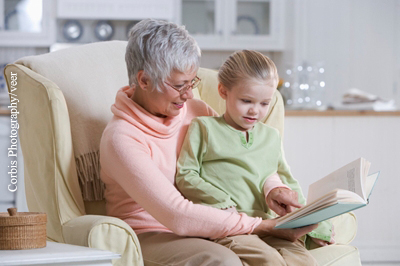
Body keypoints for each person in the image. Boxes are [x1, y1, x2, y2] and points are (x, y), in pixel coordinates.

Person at [100, 19, 318, 266]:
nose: (189, 94)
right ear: (144, 80)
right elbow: (177, 215)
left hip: (209, 223)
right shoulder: (122, 138)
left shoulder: (196, 110)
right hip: (151, 233)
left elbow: (242, 161)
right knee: (223, 261)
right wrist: (263, 226)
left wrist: (273, 189)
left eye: (192, 83)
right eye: (180, 85)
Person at [176, 50, 335, 265]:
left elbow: (287, 183)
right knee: (269, 260)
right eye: (246, 100)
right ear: (223, 91)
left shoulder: (270, 136)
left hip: (272, 224)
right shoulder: (203, 127)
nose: (255, 111)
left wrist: (315, 222)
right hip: (229, 225)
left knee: (306, 262)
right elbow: (186, 174)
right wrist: (221, 201)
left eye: (264, 103)